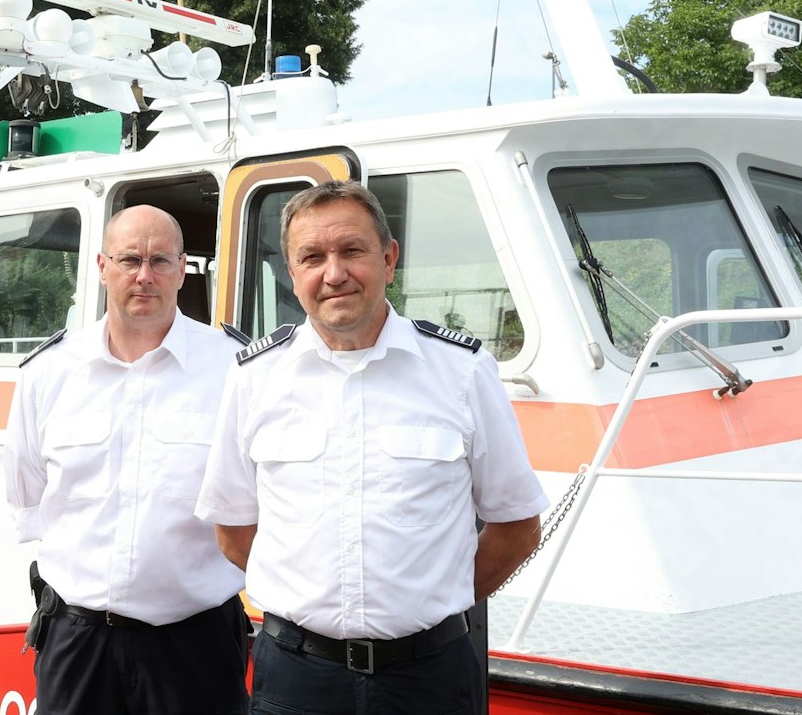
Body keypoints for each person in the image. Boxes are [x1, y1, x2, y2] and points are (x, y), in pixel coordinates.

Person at [196, 180, 548, 715]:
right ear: (292, 274)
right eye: (312, 257)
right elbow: (232, 529)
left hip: (430, 677)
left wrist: (431, 601)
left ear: (388, 259)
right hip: (297, 677)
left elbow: (517, 526)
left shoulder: (462, 372)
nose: (334, 273)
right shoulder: (254, 378)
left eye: (352, 251)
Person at [3, 204, 249, 715]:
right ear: (102, 266)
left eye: (160, 261)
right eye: (130, 259)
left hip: (195, 646)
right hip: (77, 644)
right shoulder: (48, 373)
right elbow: (30, 496)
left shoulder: (235, 369)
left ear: (182, 269)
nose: (144, 276)